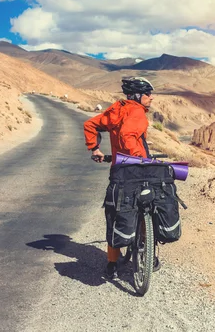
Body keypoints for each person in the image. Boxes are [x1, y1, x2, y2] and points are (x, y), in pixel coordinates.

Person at [83, 76, 158, 279]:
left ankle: (112, 264)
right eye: (148, 95)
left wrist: (95, 149)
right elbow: (127, 135)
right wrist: (139, 159)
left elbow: (90, 125)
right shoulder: (137, 112)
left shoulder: (116, 109)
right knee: (149, 203)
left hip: (118, 170)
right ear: (138, 96)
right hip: (136, 170)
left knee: (116, 212)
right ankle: (149, 249)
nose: (151, 98)